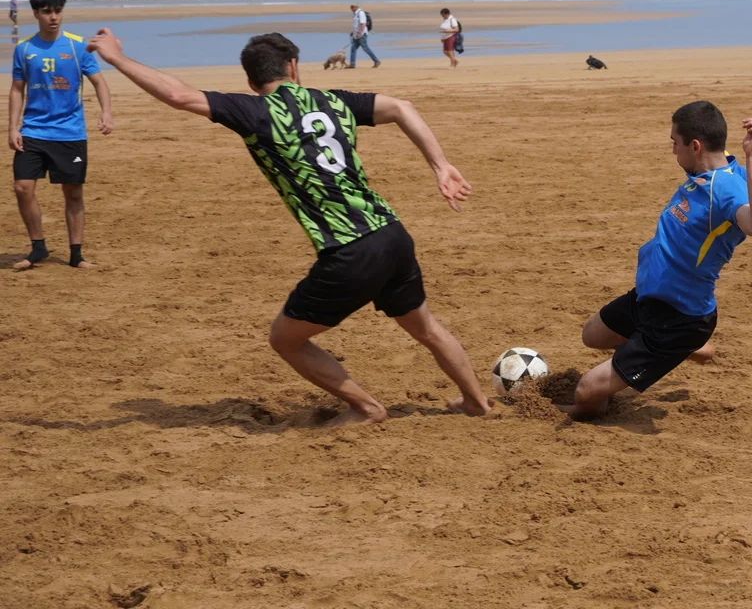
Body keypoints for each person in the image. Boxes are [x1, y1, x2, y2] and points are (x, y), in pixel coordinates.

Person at [86, 29, 492, 425]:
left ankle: (367, 408)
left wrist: (116, 57)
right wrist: (441, 166)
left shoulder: (255, 112)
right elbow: (402, 107)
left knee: (285, 339)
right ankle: (476, 402)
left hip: (348, 249)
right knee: (426, 328)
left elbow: (178, 95)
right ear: (293, 67)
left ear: (251, 80)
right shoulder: (333, 101)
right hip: (391, 233)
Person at [567, 101, 752, 420]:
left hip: (678, 318)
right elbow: (742, 178)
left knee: (586, 392)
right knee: (592, 335)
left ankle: (669, 353)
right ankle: (680, 351)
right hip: (650, 297)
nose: (673, 150)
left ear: (695, 146)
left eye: (675, 143)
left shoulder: (725, 192)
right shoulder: (718, 169)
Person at [8, 0, 114, 270]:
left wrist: (106, 112)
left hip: (70, 133)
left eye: (57, 11)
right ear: (36, 13)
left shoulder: (78, 47)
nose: (53, 17)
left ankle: (76, 254)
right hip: (33, 131)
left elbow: (99, 83)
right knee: (22, 188)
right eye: (46, 12)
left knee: (73, 193)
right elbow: (17, 89)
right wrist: (12, 128)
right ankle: (38, 247)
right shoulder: (24, 49)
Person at [348, 3, 380, 69]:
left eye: (352, 7)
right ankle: (352, 64)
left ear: (355, 7)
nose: (351, 9)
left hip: (362, 34)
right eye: (351, 7)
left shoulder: (361, 13)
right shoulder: (355, 14)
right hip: (356, 35)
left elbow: (363, 24)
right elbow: (356, 25)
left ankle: (376, 61)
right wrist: (353, 32)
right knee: (353, 49)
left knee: (365, 48)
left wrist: (359, 32)